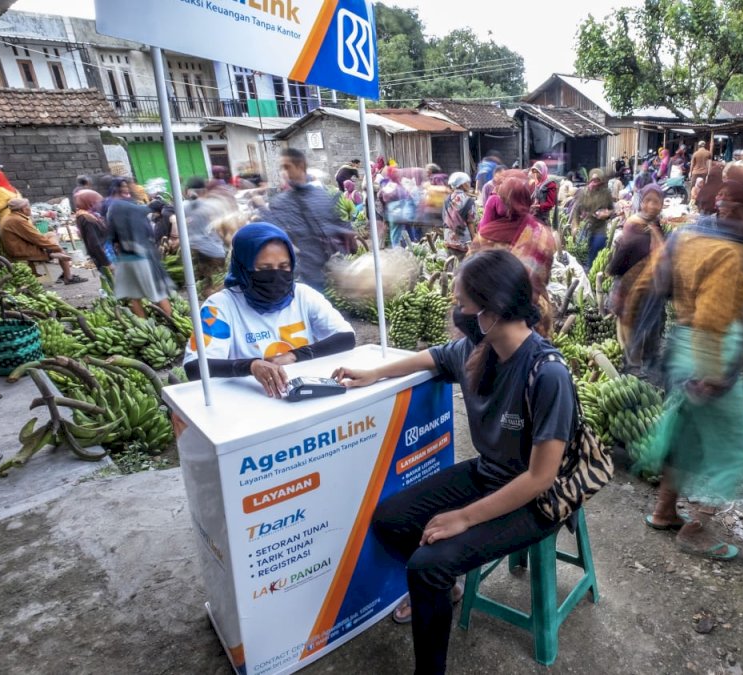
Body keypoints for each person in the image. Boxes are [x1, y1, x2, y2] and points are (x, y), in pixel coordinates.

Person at [333, 249, 575, 675]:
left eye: (462, 304)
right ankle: (445, 586)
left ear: (494, 309)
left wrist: (463, 518)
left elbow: (541, 477)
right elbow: (432, 357)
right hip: (490, 475)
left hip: (534, 500)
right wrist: (373, 373)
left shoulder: (547, 372)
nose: (456, 311)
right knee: (389, 519)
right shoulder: (478, 348)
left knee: (427, 566)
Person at [627, 177, 743, 560]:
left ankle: (664, 511)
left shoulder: (685, 237)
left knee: (683, 434)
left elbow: (646, 282)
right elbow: (714, 318)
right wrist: (714, 373)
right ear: (738, 211)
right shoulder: (728, 254)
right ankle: (697, 529)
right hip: (710, 349)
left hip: (682, 344)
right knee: (726, 445)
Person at [183, 223, 355, 391]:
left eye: (283, 266)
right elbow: (194, 367)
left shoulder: (303, 296)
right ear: (243, 268)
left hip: (302, 393)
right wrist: (251, 366)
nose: (275, 276)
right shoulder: (220, 306)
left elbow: (346, 337)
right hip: (248, 401)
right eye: (264, 268)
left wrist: (295, 355)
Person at [474, 172, 557, 329]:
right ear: (529, 199)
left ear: (502, 201)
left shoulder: (485, 237)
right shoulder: (542, 235)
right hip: (533, 317)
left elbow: (468, 278)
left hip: (491, 319)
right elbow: (544, 278)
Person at [269, 148, 355, 289]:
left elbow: (335, 223)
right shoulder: (281, 202)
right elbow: (275, 235)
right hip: (304, 276)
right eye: (281, 168)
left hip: (332, 270)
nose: (283, 173)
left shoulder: (321, 195)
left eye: (287, 167)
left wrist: (346, 233)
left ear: (301, 166)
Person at [608, 183, 665, 376]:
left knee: (651, 326)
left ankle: (650, 367)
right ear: (641, 202)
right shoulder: (634, 223)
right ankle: (632, 368)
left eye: (656, 201)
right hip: (632, 285)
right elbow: (623, 253)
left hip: (652, 287)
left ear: (661, 204)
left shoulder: (656, 225)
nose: (651, 205)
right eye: (647, 200)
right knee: (633, 326)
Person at [108, 192, 172, 317]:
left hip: (125, 261)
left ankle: (143, 324)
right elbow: (150, 239)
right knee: (158, 293)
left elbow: (114, 243)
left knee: (134, 297)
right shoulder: (139, 221)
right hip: (143, 260)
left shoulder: (115, 220)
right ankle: (171, 322)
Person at [0, 199, 85, 284]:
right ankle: (67, 276)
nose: (30, 209)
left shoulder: (11, 217)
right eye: (28, 207)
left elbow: (34, 236)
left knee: (51, 234)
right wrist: (56, 248)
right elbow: (36, 238)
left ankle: (53, 253)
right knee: (59, 250)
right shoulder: (17, 220)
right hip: (21, 250)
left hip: (22, 245)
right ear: (23, 209)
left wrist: (53, 246)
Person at [182, 177, 231, 297]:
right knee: (217, 286)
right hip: (214, 252)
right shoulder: (213, 206)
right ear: (205, 191)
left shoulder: (183, 206)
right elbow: (223, 229)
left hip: (194, 250)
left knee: (204, 284)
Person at [570, 169, 614, 270]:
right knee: (584, 255)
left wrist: (607, 213)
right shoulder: (583, 193)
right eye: (592, 180)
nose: (594, 183)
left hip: (600, 227)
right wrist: (575, 226)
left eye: (597, 181)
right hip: (585, 228)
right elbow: (576, 211)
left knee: (597, 249)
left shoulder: (606, 194)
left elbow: (612, 210)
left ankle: (594, 275)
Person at [72, 189, 111, 277]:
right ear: (90, 203)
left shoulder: (87, 215)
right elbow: (94, 243)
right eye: (98, 202)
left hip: (103, 255)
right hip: (105, 257)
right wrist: (107, 263)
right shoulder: (88, 218)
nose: (101, 204)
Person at [442, 172, 478, 259]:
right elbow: (470, 222)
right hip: (463, 241)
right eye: (467, 182)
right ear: (462, 184)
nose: (469, 184)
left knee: (452, 265)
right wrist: (474, 239)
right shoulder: (468, 200)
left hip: (448, 238)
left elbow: (444, 218)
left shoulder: (447, 199)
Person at [529, 161, 558, 226]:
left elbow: (550, 204)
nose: (536, 175)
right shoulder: (536, 184)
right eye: (534, 172)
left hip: (543, 219)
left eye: (537, 172)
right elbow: (533, 197)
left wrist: (538, 206)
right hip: (534, 216)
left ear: (543, 172)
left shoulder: (550, 184)